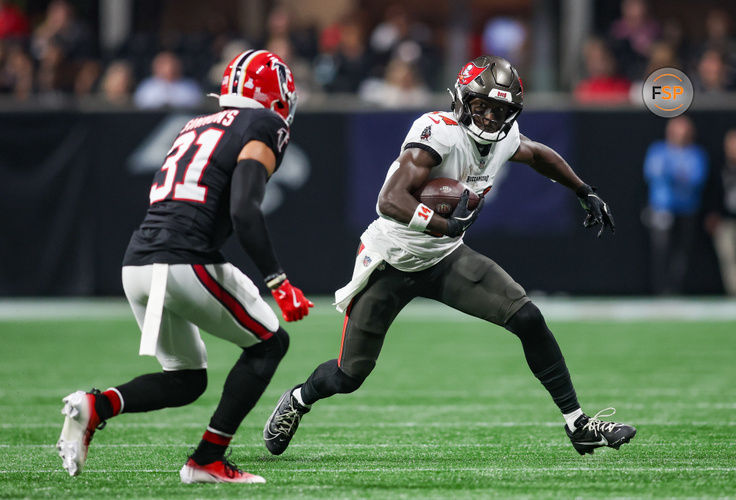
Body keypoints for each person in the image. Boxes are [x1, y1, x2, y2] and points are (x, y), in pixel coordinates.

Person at [264, 55, 636, 458]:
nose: (491, 118)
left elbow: (539, 153)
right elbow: (389, 199)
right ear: (461, 100)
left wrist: (584, 190)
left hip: (443, 258)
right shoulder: (438, 131)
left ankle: (578, 425)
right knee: (349, 374)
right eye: (482, 106)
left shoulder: (505, 138)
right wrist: (445, 225)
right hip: (392, 259)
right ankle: (299, 399)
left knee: (527, 317)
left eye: (501, 110)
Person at [57, 50, 314, 484]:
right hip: (185, 260)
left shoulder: (195, 123)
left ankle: (96, 406)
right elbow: (245, 212)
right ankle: (207, 460)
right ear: (275, 95)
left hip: (137, 262)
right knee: (269, 344)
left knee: (186, 379)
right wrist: (278, 280)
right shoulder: (264, 125)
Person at [643, 116, 709, 294]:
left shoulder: (696, 153)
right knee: (661, 250)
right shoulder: (658, 150)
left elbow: (697, 179)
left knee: (682, 252)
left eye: (685, 130)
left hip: (687, 209)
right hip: (662, 209)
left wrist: (673, 175)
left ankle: (677, 289)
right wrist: (679, 176)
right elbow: (652, 174)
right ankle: (660, 289)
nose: (681, 134)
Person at [705, 129, 736, 296]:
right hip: (728, 223)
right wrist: (713, 215)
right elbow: (711, 193)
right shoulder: (719, 168)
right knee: (732, 261)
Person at [133, 51, 203, 109]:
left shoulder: (190, 85)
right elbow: (141, 103)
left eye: (172, 64)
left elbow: (195, 103)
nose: (169, 68)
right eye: (164, 65)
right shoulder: (147, 85)